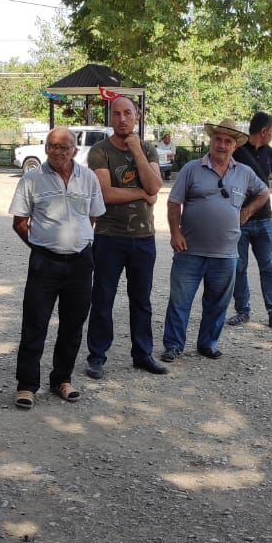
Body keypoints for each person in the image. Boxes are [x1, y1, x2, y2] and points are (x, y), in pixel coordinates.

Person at [9, 127, 106, 408]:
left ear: (75, 150)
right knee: (34, 324)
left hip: (80, 263)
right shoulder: (31, 179)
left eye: (64, 147)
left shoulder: (88, 178)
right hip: (45, 262)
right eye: (53, 146)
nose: (58, 152)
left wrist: (76, 240)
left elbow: (93, 217)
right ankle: (26, 385)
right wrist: (41, 245)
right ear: (45, 149)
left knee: (73, 325)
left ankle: (62, 380)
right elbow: (19, 222)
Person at [162, 119, 268, 361]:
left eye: (227, 141)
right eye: (217, 139)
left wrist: (247, 211)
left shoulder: (244, 173)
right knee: (180, 301)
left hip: (226, 252)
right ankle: (173, 346)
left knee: (217, 303)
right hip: (189, 249)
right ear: (211, 141)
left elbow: (263, 193)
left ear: (235, 146)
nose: (221, 144)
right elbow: (173, 202)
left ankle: (208, 344)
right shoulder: (191, 168)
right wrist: (175, 233)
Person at [84, 95, 169, 378]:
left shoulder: (147, 148)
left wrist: (136, 150)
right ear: (110, 117)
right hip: (109, 236)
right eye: (116, 113)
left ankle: (142, 354)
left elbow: (155, 186)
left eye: (127, 113)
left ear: (138, 116)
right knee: (103, 297)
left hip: (144, 237)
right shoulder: (99, 151)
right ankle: (97, 356)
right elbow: (105, 194)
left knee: (141, 299)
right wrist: (143, 193)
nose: (122, 119)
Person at [228, 111, 272, 333]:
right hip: (240, 219)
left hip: (264, 219)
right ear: (264, 131)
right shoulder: (237, 152)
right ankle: (243, 310)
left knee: (270, 268)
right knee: (238, 267)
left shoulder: (269, 153)